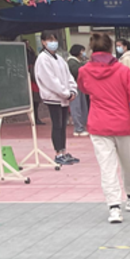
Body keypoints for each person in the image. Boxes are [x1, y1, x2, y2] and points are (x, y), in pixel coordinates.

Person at [77, 32, 130, 223]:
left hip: (98, 124)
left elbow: (83, 88)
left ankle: (114, 207)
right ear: (111, 48)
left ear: (92, 49)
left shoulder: (84, 71)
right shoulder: (123, 71)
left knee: (107, 167)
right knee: (129, 163)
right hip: (124, 124)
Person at [33, 32, 80, 165]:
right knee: (57, 125)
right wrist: (65, 93)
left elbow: (68, 76)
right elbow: (50, 80)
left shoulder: (59, 58)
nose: (53, 42)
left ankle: (64, 151)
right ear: (43, 42)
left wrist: (72, 90)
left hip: (64, 97)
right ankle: (58, 153)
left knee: (63, 125)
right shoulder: (43, 59)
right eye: (49, 40)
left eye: (54, 39)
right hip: (53, 97)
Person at [67, 44, 90, 137]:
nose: (83, 53)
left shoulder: (78, 61)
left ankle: (82, 126)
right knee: (76, 108)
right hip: (73, 87)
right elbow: (77, 71)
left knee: (82, 107)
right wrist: (85, 64)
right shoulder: (71, 61)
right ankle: (78, 128)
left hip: (79, 86)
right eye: (82, 51)